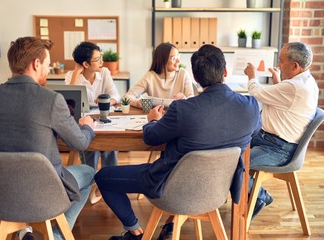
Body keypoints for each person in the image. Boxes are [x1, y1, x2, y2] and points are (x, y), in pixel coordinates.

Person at [95, 44, 261, 240]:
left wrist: (152, 121)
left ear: (196, 78)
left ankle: (135, 232)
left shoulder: (183, 109)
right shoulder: (251, 106)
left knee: (104, 177)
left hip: (170, 187)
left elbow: (150, 137)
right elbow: (254, 134)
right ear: (225, 71)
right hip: (218, 190)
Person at [0, 37, 96, 240]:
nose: (47, 71)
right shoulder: (52, 99)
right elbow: (80, 143)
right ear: (36, 64)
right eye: (46, 65)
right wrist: (87, 127)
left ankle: (23, 231)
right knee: (89, 172)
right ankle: (56, 236)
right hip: (45, 196)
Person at [244, 42, 319, 219]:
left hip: (278, 149)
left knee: (233, 163)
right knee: (230, 148)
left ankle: (260, 196)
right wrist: (278, 81)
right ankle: (244, 193)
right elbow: (287, 103)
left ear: (295, 66)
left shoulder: (294, 87)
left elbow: (256, 93)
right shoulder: (306, 81)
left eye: (281, 61)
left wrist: (252, 75)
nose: (278, 65)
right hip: (268, 139)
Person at [65, 41, 121, 205]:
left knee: (110, 148)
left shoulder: (104, 73)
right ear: (85, 64)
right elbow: (68, 101)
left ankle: (108, 184)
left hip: (103, 118)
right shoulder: (71, 76)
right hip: (84, 122)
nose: (101, 62)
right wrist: (76, 73)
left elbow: (116, 96)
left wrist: (107, 101)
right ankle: (91, 180)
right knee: (90, 150)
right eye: (97, 59)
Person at [125, 42, 194, 109]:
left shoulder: (183, 74)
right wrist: (137, 102)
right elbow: (126, 97)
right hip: (157, 117)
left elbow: (192, 100)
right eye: (174, 58)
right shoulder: (150, 76)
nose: (178, 61)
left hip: (177, 117)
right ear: (162, 60)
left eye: (178, 57)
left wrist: (185, 99)